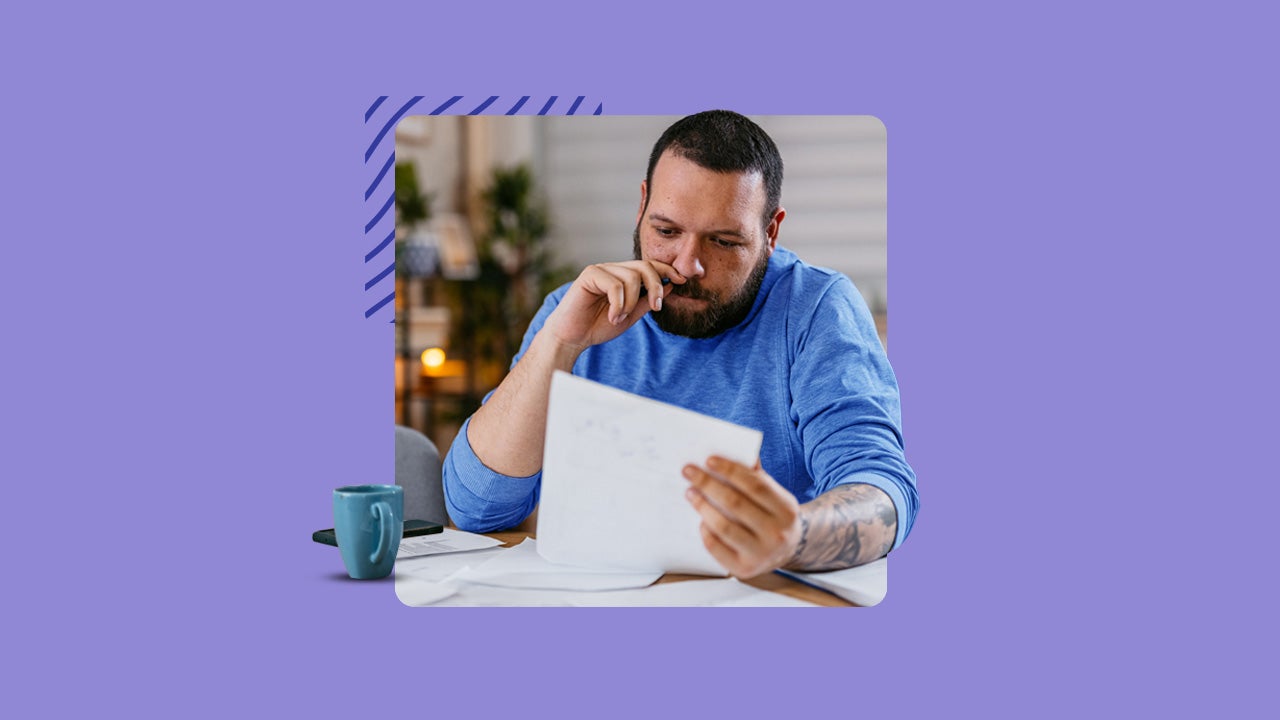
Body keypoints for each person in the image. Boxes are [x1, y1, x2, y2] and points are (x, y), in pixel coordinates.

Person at [443, 110, 918, 578]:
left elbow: (882, 492)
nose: (688, 265)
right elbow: (475, 511)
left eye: (724, 242)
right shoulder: (577, 310)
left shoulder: (815, 309)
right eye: (666, 231)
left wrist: (794, 537)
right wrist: (559, 344)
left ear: (770, 232)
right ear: (642, 207)